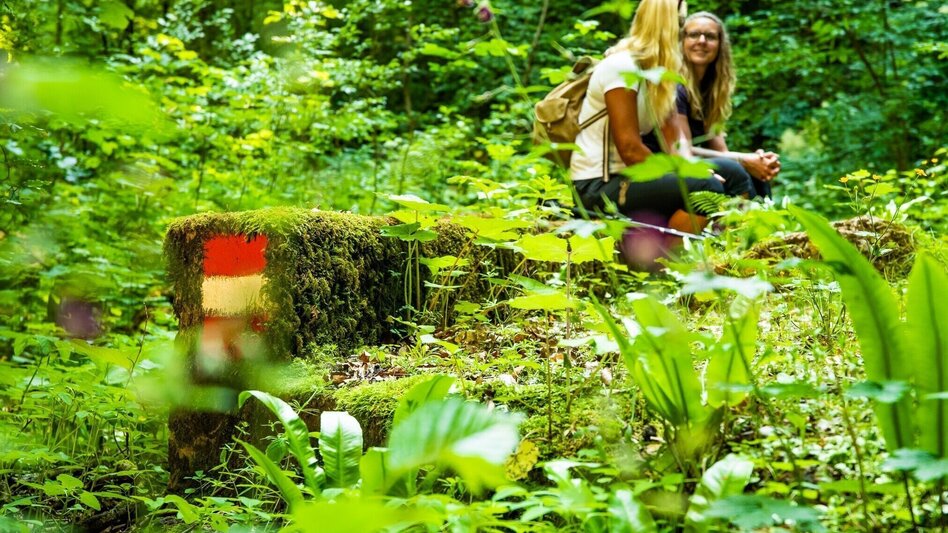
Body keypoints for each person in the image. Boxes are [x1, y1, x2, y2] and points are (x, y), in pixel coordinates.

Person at [569, 0, 724, 235]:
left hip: (629, 179)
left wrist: (693, 170)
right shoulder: (622, 66)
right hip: (597, 185)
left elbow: (673, 142)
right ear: (667, 25)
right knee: (706, 188)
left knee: (727, 174)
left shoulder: (658, 75)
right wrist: (685, 177)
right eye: (681, 23)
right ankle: (668, 254)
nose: (682, 32)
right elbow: (630, 149)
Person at [646, 12, 780, 199]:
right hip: (666, 164)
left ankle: (764, 217)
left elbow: (720, 151)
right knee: (735, 169)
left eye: (710, 36)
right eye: (694, 35)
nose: (702, 41)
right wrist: (743, 159)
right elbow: (682, 149)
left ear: (720, 45)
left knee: (757, 176)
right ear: (682, 41)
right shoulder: (674, 86)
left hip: (693, 160)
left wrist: (757, 160)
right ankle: (742, 218)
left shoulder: (711, 90)